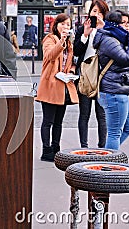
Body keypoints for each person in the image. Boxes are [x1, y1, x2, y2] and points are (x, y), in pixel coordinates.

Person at [93, 11, 129, 150]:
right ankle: (108, 164)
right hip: (113, 91)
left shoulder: (117, 38)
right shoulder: (109, 40)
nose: (127, 26)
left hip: (119, 89)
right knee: (114, 133)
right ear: (115, 25)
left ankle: (107, 155)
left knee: (128, 127)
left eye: (128, 23)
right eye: (124, 23)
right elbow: (127, 59)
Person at [36, 13, 79, 162]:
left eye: (68, 24)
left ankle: (56, 148)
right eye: (62, 24)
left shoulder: (69, 44)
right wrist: (61, 40)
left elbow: (71, 62)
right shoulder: (50, 39)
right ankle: (46, 150)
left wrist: (72, 72)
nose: (65, 27)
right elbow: (50, 56)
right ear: (56, 25)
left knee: (59, 121)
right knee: (48, 120)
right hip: (50, 86)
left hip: (63, 86)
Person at [73, 0, 109, 148]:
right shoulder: (82, 29)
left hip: (102, 76)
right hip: (86, 76)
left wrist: (102, 30)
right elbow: (76, 51)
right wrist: (85, 35)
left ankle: (102, 146)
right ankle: (84, 146)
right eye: (94, 11)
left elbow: (110, 50)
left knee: (101, 115)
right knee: (84, 113)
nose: (97, 15)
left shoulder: (108, 31)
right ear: (89, 13)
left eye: (100, 13)